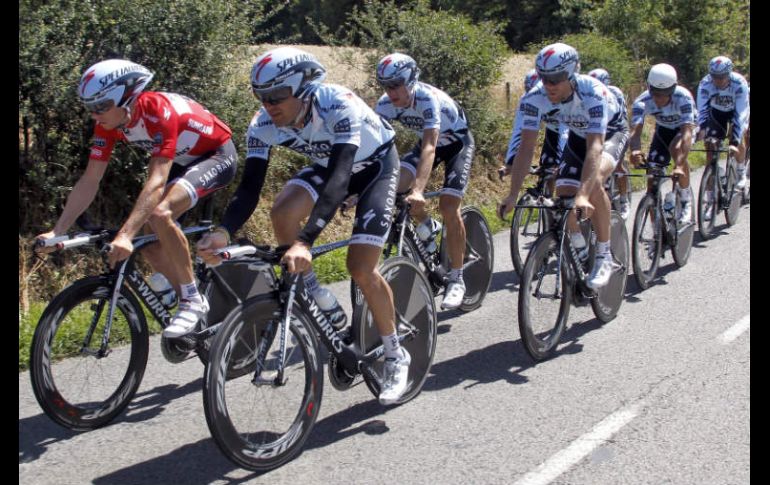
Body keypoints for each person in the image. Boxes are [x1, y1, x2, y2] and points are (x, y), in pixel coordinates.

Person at [196, 47, 410, 404]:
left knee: (360, 267)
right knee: (281, 212)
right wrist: (224, 231)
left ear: (305, 89)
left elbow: (341, 179)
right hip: (330, 165)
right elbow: (249, 188)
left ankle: (394, 354)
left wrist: (306, 240)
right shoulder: (262, 125)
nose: (269, 105)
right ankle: (315, 292)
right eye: (261, 96)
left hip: (374, 168)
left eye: (277, 96)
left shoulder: (338, 104)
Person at [35, 59, 238, 339]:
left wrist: (125, 235)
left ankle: (193, 300)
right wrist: (58, 230)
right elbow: (90, 179)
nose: (94, 115)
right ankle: (188, 306)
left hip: (216, 155)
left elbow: (156, 181)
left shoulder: (159, 112)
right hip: (183, 159)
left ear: (126, 98)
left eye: (100, 106)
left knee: (160, 215)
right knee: (151, 246)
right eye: (89, 107)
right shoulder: (109, 121)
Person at [498, 43, 629, 289]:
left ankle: (603, 255)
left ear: (571, 74)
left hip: (610, 133)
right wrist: (513, 193)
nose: (549, 86)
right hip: (579, 136)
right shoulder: (535, 97)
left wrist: (583, 195)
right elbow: (526, 148)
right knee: (563, 193)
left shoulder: (593, 92)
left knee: (594, 182)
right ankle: (579, 247)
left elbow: (595, 148)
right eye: (544, 78)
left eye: (556, 79)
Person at [374, 53, 475, 310]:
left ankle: (457, 278)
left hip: (456, 144)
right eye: (386, 86)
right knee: (396, 189)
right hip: (428, 144)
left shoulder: (428, 98)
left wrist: (419, 189)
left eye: (397, 84)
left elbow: (430, 146)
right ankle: (428, 226)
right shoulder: (384, 105)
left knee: (449, 205)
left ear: (412, 81)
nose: (391, 92)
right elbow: (377, 150)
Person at [628, 63, 696, 222]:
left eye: (665, 94)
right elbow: (635, 132)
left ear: (673, 89)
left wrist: (679, 166)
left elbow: (687, 132)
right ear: (649, 88)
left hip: (684, 128)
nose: (659, 99)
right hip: (663, 129)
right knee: (652, 175)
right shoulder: (642, 100)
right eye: (655, 93)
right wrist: (635, 151)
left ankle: (686, 198)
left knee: (676, 148)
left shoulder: (683, 97)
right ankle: (657, 230)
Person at [499, 68, 569, 197]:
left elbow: (565, 133)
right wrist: (510, 162)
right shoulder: (527, 99)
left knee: (565, 175)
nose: (533, 98)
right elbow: (519, 130)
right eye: (529, 93)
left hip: (572, 129)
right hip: (552, 129)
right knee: (547, 166)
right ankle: (548, 203)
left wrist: (560, 163)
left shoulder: (561, 99)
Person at [696, 56, 750, 190]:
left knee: (739, 134)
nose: (718, 80)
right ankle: (711, 182)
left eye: (722, 76)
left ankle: (740, 171)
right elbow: (702, 110)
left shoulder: (739, 83)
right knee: (710, 143)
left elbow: (741, 114)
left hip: (736, 110)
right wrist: (702, 129)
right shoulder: (705, 83)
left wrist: (734, 141)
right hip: (717, 112)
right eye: (714, 76)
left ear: (729, 73)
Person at [589, 68, 632, 220]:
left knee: (617, 165)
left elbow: (622, 118)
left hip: (615, 131)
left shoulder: (615, 93)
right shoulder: (589, 94)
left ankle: (623, 198)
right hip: (598, 132)